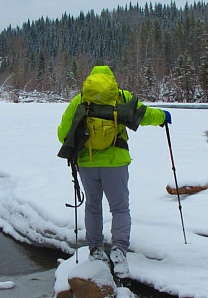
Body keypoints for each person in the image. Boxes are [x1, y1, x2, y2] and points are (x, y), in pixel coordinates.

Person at [57, 65, 171, 277]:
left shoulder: (80, 100)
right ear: (111, 79)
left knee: (93, 205)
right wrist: (163, 116)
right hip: (116, 161)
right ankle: (119, 250)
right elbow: (144, 115)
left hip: (87, 163)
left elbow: (63, 133)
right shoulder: (120, 96)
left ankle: (96, 250)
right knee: (119, 208)